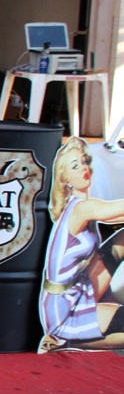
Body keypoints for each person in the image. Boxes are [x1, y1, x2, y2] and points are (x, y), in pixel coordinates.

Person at [38, 137, 124, 351]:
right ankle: (63, 341)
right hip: (63, 307)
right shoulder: (80, 209)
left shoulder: (82, 206)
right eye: (75, 166)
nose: (84, 168)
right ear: (65, 178)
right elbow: (111, 210)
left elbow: (116, 217)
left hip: (79, 288)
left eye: (84, 162)